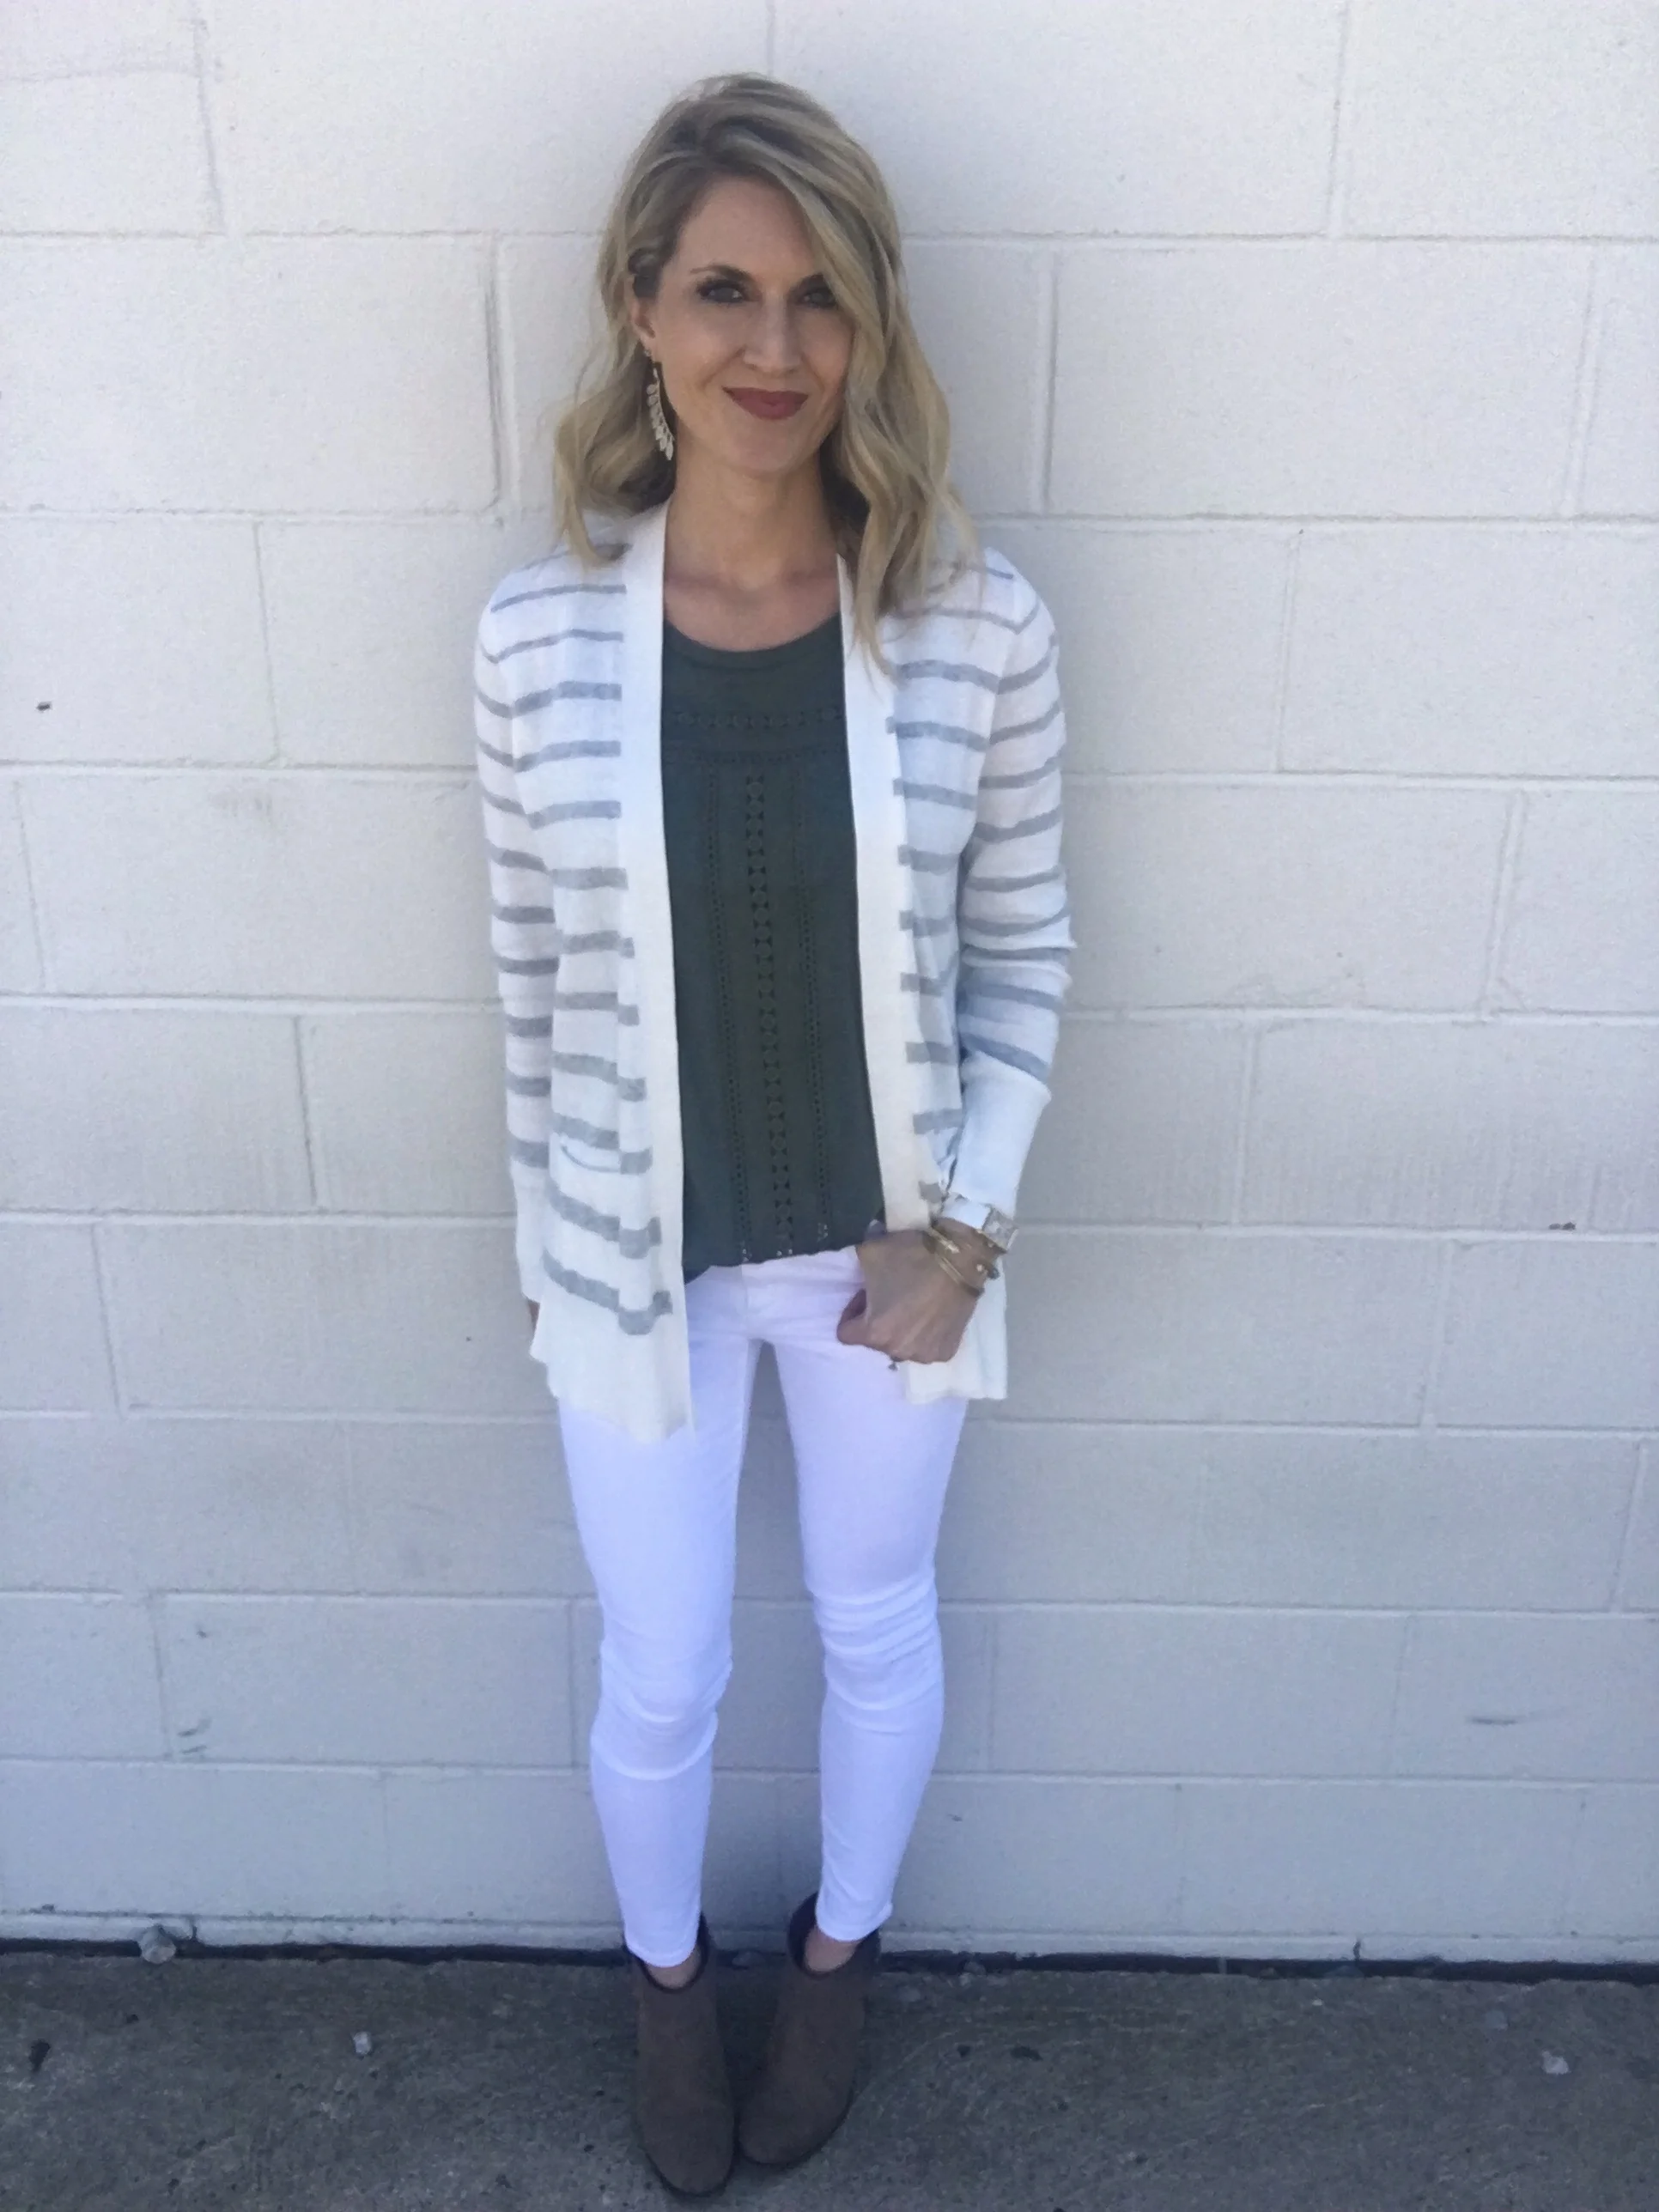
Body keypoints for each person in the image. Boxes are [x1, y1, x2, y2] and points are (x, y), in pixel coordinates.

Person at [472, 72, 1072, 2197]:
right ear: (641, 308)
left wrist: (966, 1233)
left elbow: (1027, 955)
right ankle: (666, 1989)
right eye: (725, 288)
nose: (775, 345)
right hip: (635, 1267)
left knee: (876, 1618)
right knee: (665, 1665)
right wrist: (556, 1265)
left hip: (884, 1260)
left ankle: (835, 1960)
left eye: (822, 297)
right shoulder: (536, 638)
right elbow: (532, 988)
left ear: (870, 326)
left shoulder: (976, 625)